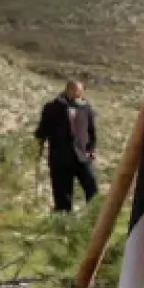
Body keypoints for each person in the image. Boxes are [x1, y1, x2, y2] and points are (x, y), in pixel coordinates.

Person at [34, 80, 99, 213]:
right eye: (76, 91)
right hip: (60, 158)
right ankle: (64, 224)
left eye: (81, 91)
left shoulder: (86, 108)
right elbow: (43, 129)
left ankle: (95, 218)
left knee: (92, 189)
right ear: (68, 90)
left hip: (82, 157)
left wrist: (91, 150)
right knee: (62, 195)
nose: (79, 94)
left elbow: (91, 131)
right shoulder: (52, 107)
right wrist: (39, 140)